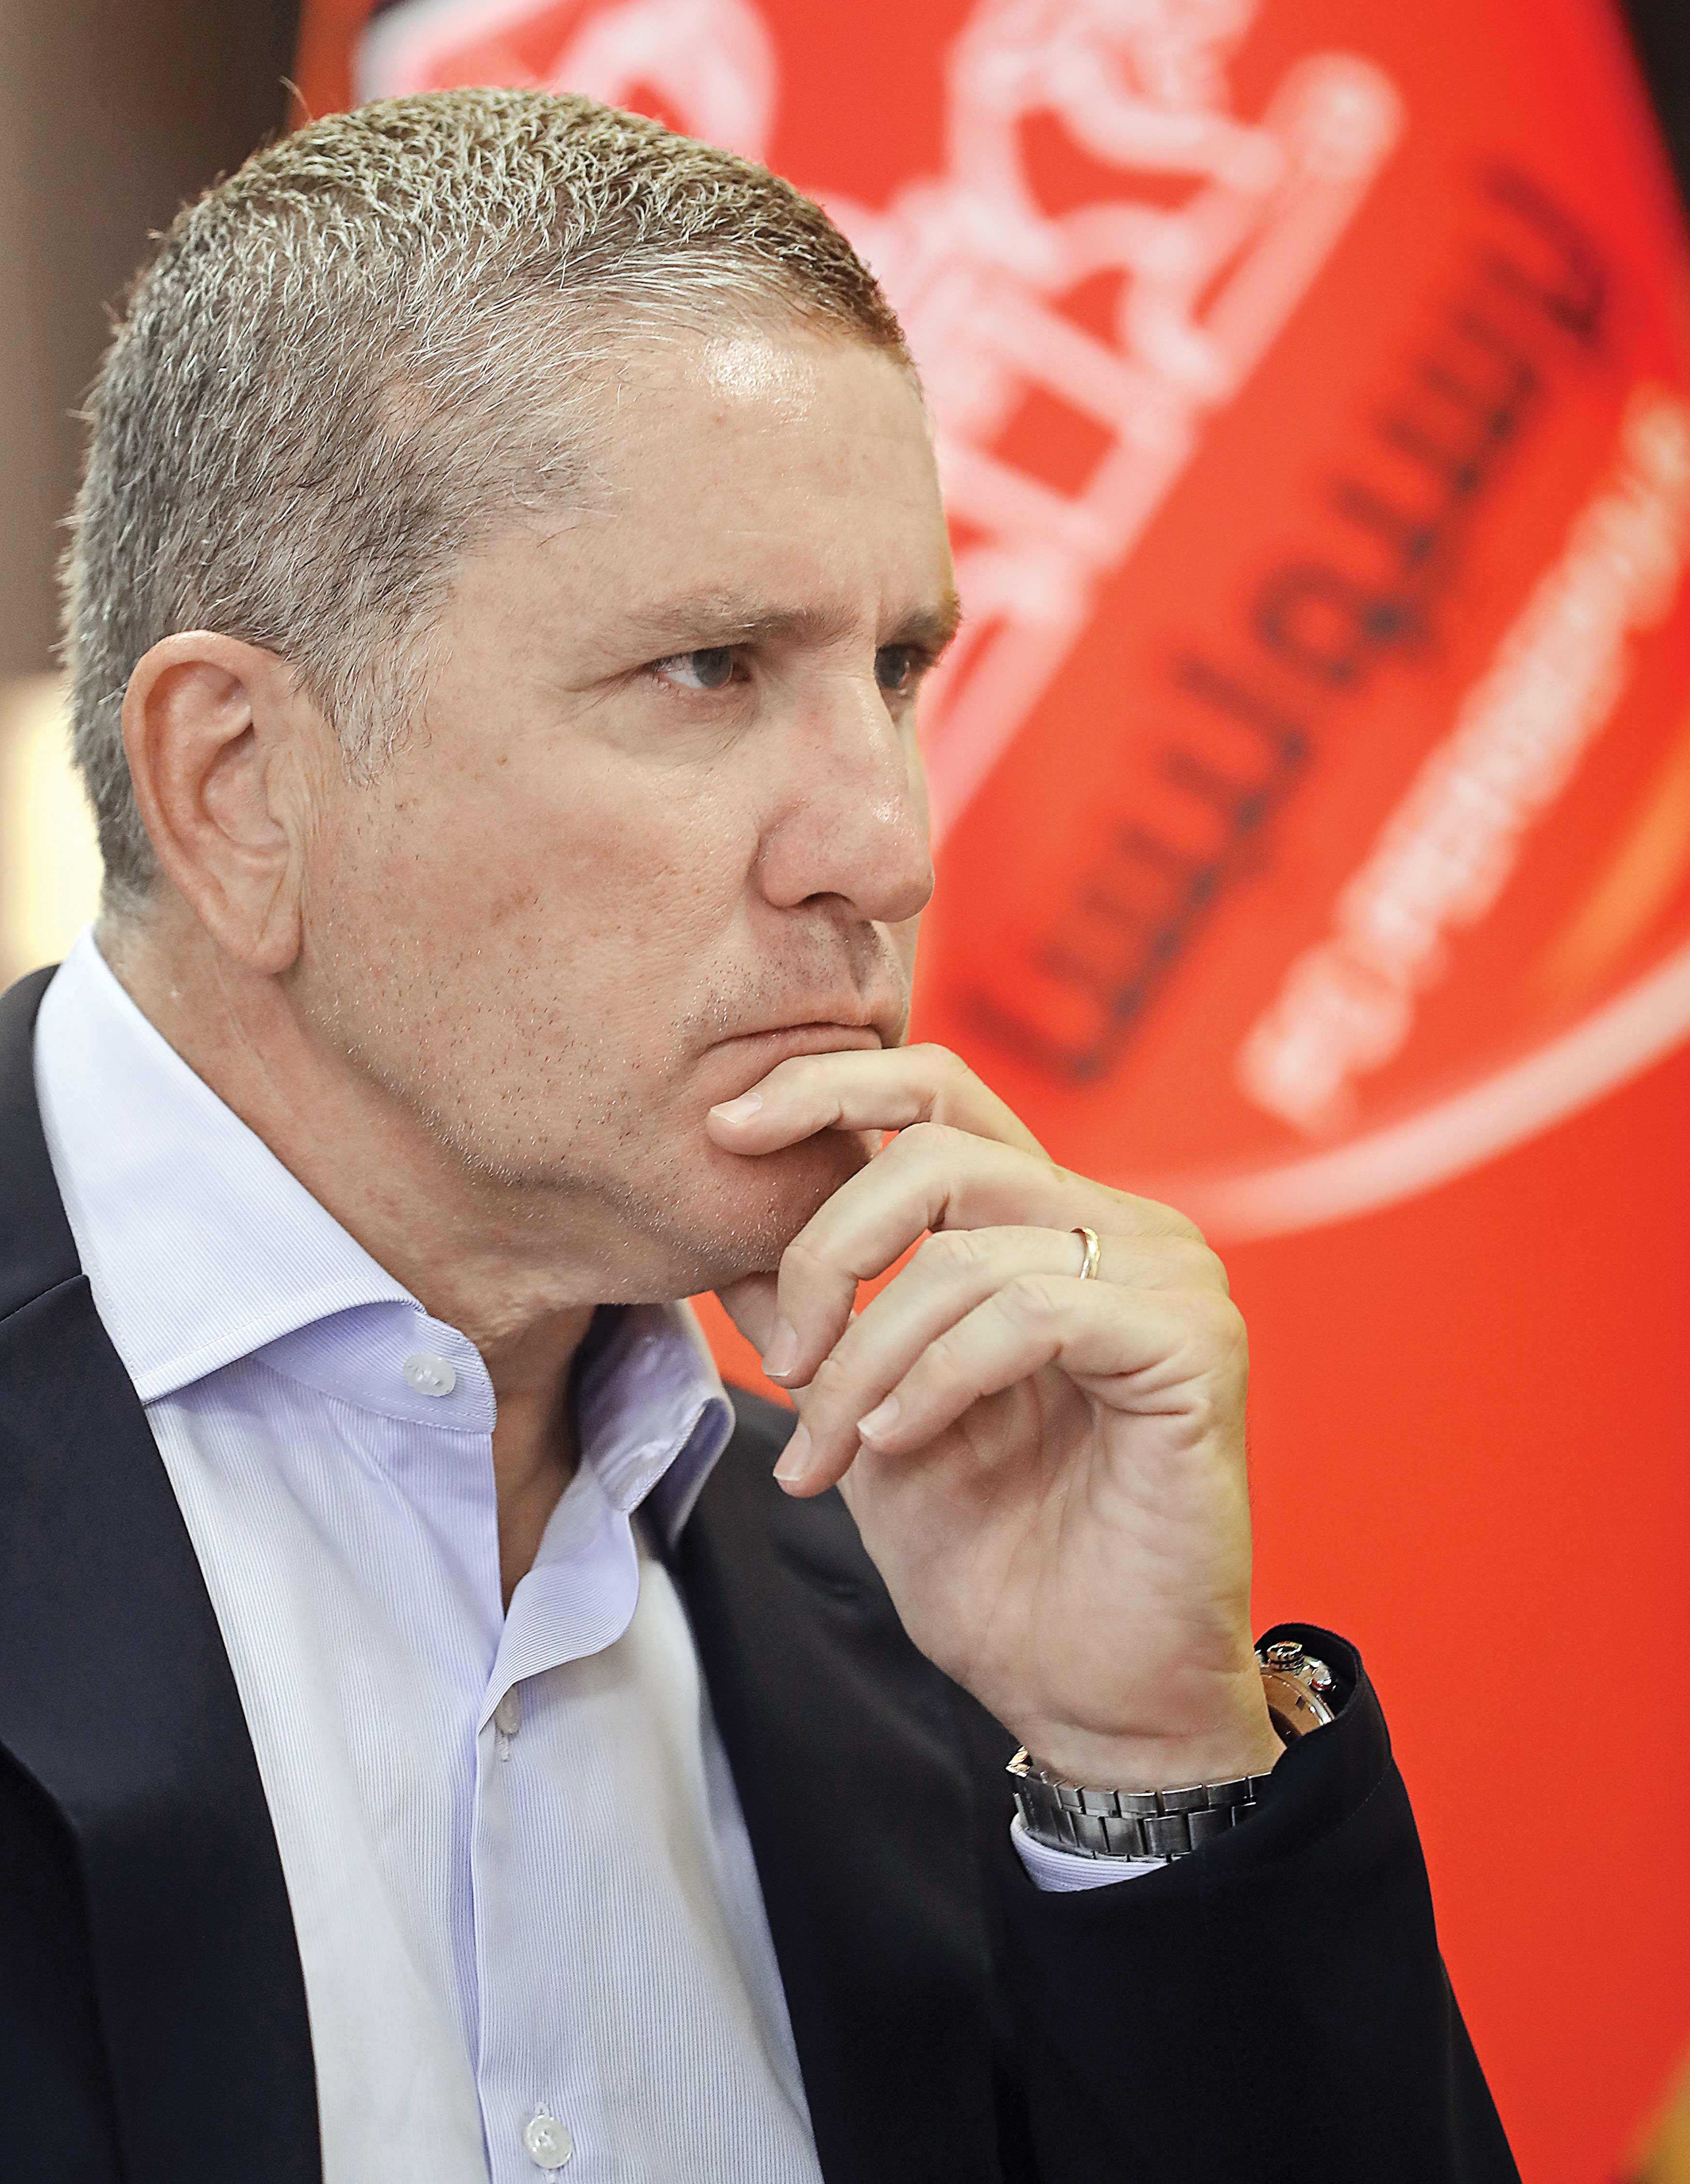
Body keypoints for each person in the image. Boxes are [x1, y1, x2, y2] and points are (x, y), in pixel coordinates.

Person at [0, 87, 1516, 2184]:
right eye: (708, 668)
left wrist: (1150, 1765)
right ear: (241, 784)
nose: (887, 845)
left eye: (895, 669)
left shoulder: (942, 1601)